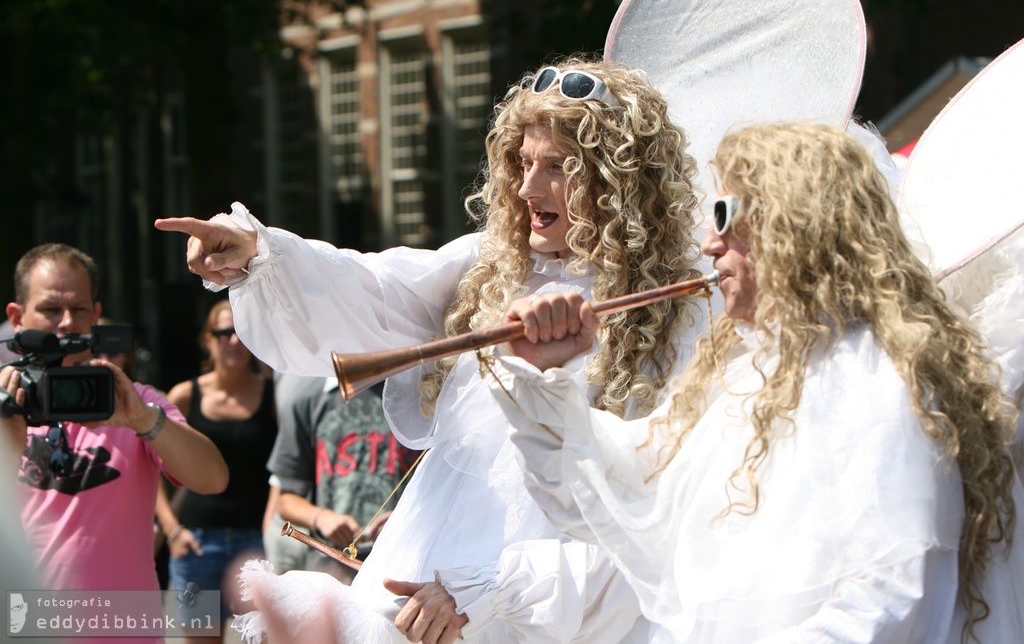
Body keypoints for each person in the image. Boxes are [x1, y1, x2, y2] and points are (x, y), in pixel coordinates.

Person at [155, 55, 705, 642]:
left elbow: (659, 511)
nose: (528, 188)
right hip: (427, 570)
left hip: (570, 603)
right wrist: (259, 254)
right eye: (522, 163)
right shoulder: (486, 267)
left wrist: (492, 589)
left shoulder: (679, 310)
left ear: (619, 179)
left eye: (558, 167)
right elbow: (372, 291)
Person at [489, 121, 1024, 642]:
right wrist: (540, 374)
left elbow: (892, 598)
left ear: (795, 224)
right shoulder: (751, 375)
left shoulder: (882, 380)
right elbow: (617, 491)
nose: (709, 244)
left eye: (724, 214)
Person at [0, 244, 229, 640]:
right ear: (18, 317)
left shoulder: (133, 400)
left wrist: (144, 420)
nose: (68, 323)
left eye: (80, 309)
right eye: (52, 310)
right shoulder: (5, 404)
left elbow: (212, 479)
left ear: (97, 314)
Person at [161, 299, 278, 637]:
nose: (234, 341)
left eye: (242, 332)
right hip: (197, 542)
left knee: (259, 637)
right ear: (208, 340)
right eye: (224, 333)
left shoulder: (272, 396)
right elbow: (152, 466)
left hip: (255, 543)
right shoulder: (185, 395)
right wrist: (171, 530)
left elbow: (287, 468)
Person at [269, 375, 416, 584]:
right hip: (330, 566)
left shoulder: (420, 395)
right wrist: (320, 517)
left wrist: (405, 517)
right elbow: (286, 499)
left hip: (401, 561)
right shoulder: (309, 398)